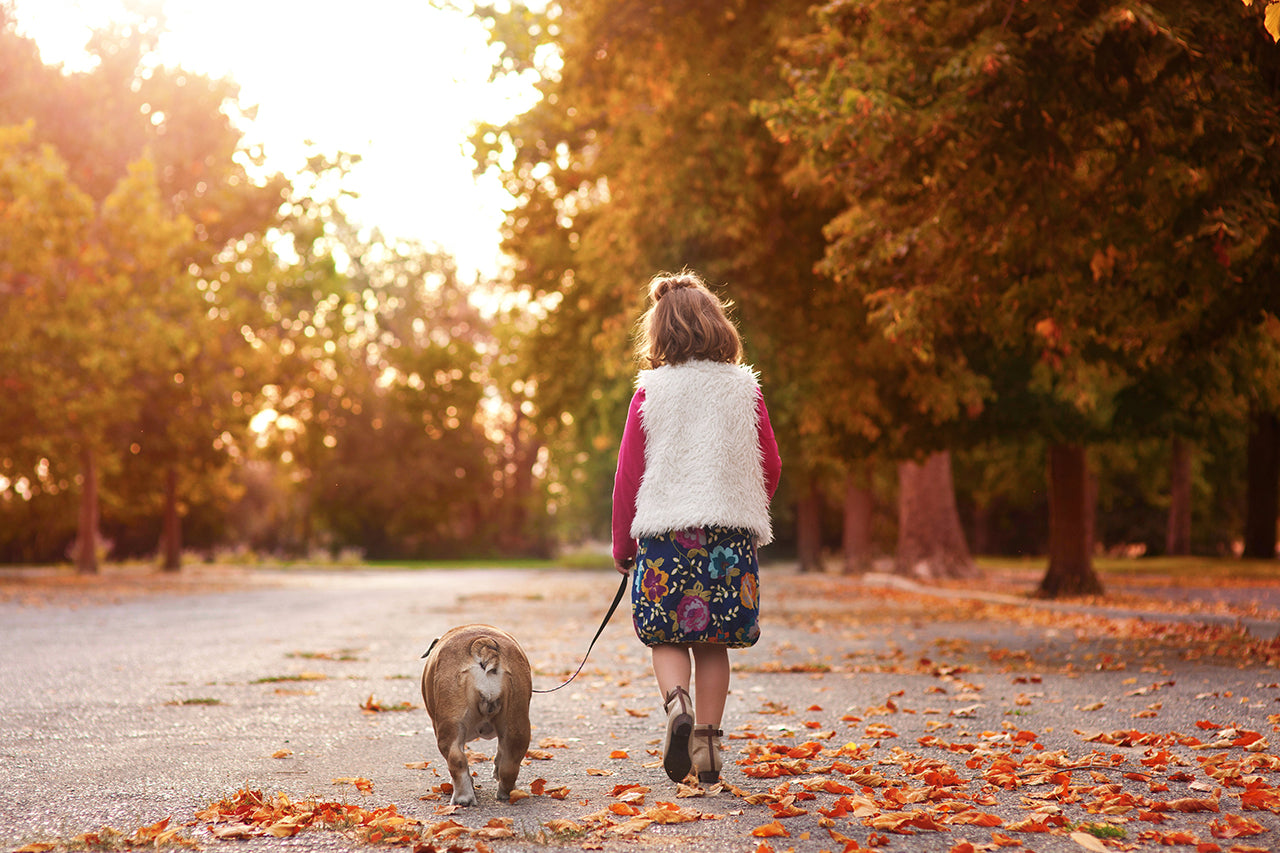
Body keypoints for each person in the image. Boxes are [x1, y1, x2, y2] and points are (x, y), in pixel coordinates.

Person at [611, 269, 781, 786]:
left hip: (665, 538)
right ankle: (707, 742)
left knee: (664, 635)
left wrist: (624, 542)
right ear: (717, 325)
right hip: (727, 538)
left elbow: (629, 474)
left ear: (659, 333)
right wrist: (743, 505)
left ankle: (677, 706)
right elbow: (769, 463)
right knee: (714, 643)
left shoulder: (650, 393)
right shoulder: (744, 390)